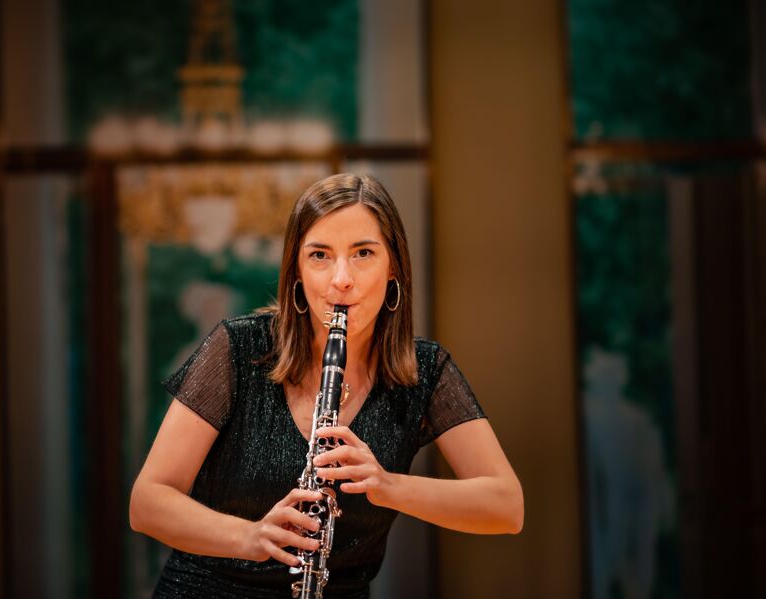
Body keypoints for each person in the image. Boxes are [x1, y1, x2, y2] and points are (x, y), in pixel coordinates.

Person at [129, 173, 523, 598]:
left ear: (394, 267)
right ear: (296, 272)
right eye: (320, 255)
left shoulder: (424, 371)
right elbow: (147, 502)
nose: (341, 279)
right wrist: (252, 537)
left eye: (363, 253)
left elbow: (506, 507)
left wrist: (386, 485)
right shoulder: (240, 348)